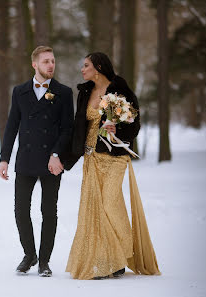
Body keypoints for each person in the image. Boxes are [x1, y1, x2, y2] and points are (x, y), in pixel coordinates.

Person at [64, 52, 160, 280]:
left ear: (98, 67)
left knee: (109, 202)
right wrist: (66, 157)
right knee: (93, 210)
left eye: (85, 65)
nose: (82, 69)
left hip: (115, 157)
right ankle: (108, 262)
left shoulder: (121, 89)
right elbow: (79, 126)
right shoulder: (85, 92)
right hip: (91, 157)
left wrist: (119, 131)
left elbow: (134, 123)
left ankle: (125, 250)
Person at [0, 46, 74, 277]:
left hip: (52, 161)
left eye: (53, 61)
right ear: (35, 65)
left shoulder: (63, 92)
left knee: (48, 211)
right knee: (21, 211)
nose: (51, 65)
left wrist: (56, 155)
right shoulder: (19, 91)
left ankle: (44, 262)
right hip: (26, 159)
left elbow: (67, 129)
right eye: (46, 62)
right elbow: (12, 126)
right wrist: (4, 159)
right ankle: (29, 254)